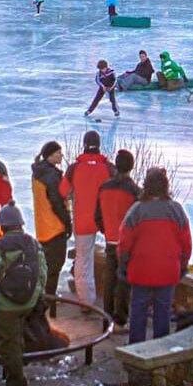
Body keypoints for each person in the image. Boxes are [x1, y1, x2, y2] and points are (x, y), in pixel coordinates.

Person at [118, 167, 192, 345]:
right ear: (166, 186)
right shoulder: (177, 210)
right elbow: (186, 244)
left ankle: (136, 349)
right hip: (168, 271)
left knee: (138, 310)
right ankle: (160, 349)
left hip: (140, 270)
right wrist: (182, 264)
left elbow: (124, 243)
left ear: (146, 186)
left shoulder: (136, 211)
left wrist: (124, 265)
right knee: (163, 312)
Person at [0, 203, 45, 386]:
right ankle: (17, 359)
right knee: (15, 337)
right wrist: (38, 296)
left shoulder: (1, 247)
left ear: (3, 226)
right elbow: (42, 272)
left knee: (8, 345)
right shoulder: (33, 244)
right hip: (29, 300)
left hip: (8, 304)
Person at [61, 130, 115, 308]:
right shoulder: (108, 167)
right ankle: (113, 302)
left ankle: (86, 302)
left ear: (84, 145)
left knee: (83, 260)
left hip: (83, 219)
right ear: (99, 145)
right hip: (108, 220)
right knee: (116, 258)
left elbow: (62, 192)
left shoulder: (74, 168)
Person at [96, 149, 139, 329]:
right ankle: (121, 319)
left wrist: (105, 230)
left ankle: (106, 316)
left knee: (109, 277)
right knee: (123, 280)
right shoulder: (135, 191)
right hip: (127, 242)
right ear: (131, 166)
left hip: (110, 239)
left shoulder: (104, 187)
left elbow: (97, 215)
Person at [30, 140, 71, 305]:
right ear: (51, 156)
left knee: (45, 266)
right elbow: (57, 203)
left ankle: (44, 298)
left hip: (42, 227)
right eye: (59, 153)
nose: (62, 155)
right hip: (55, 227)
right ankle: (49, 300)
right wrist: (68, 223)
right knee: (55, 267)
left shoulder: (37, 173)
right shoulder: (51, 176)